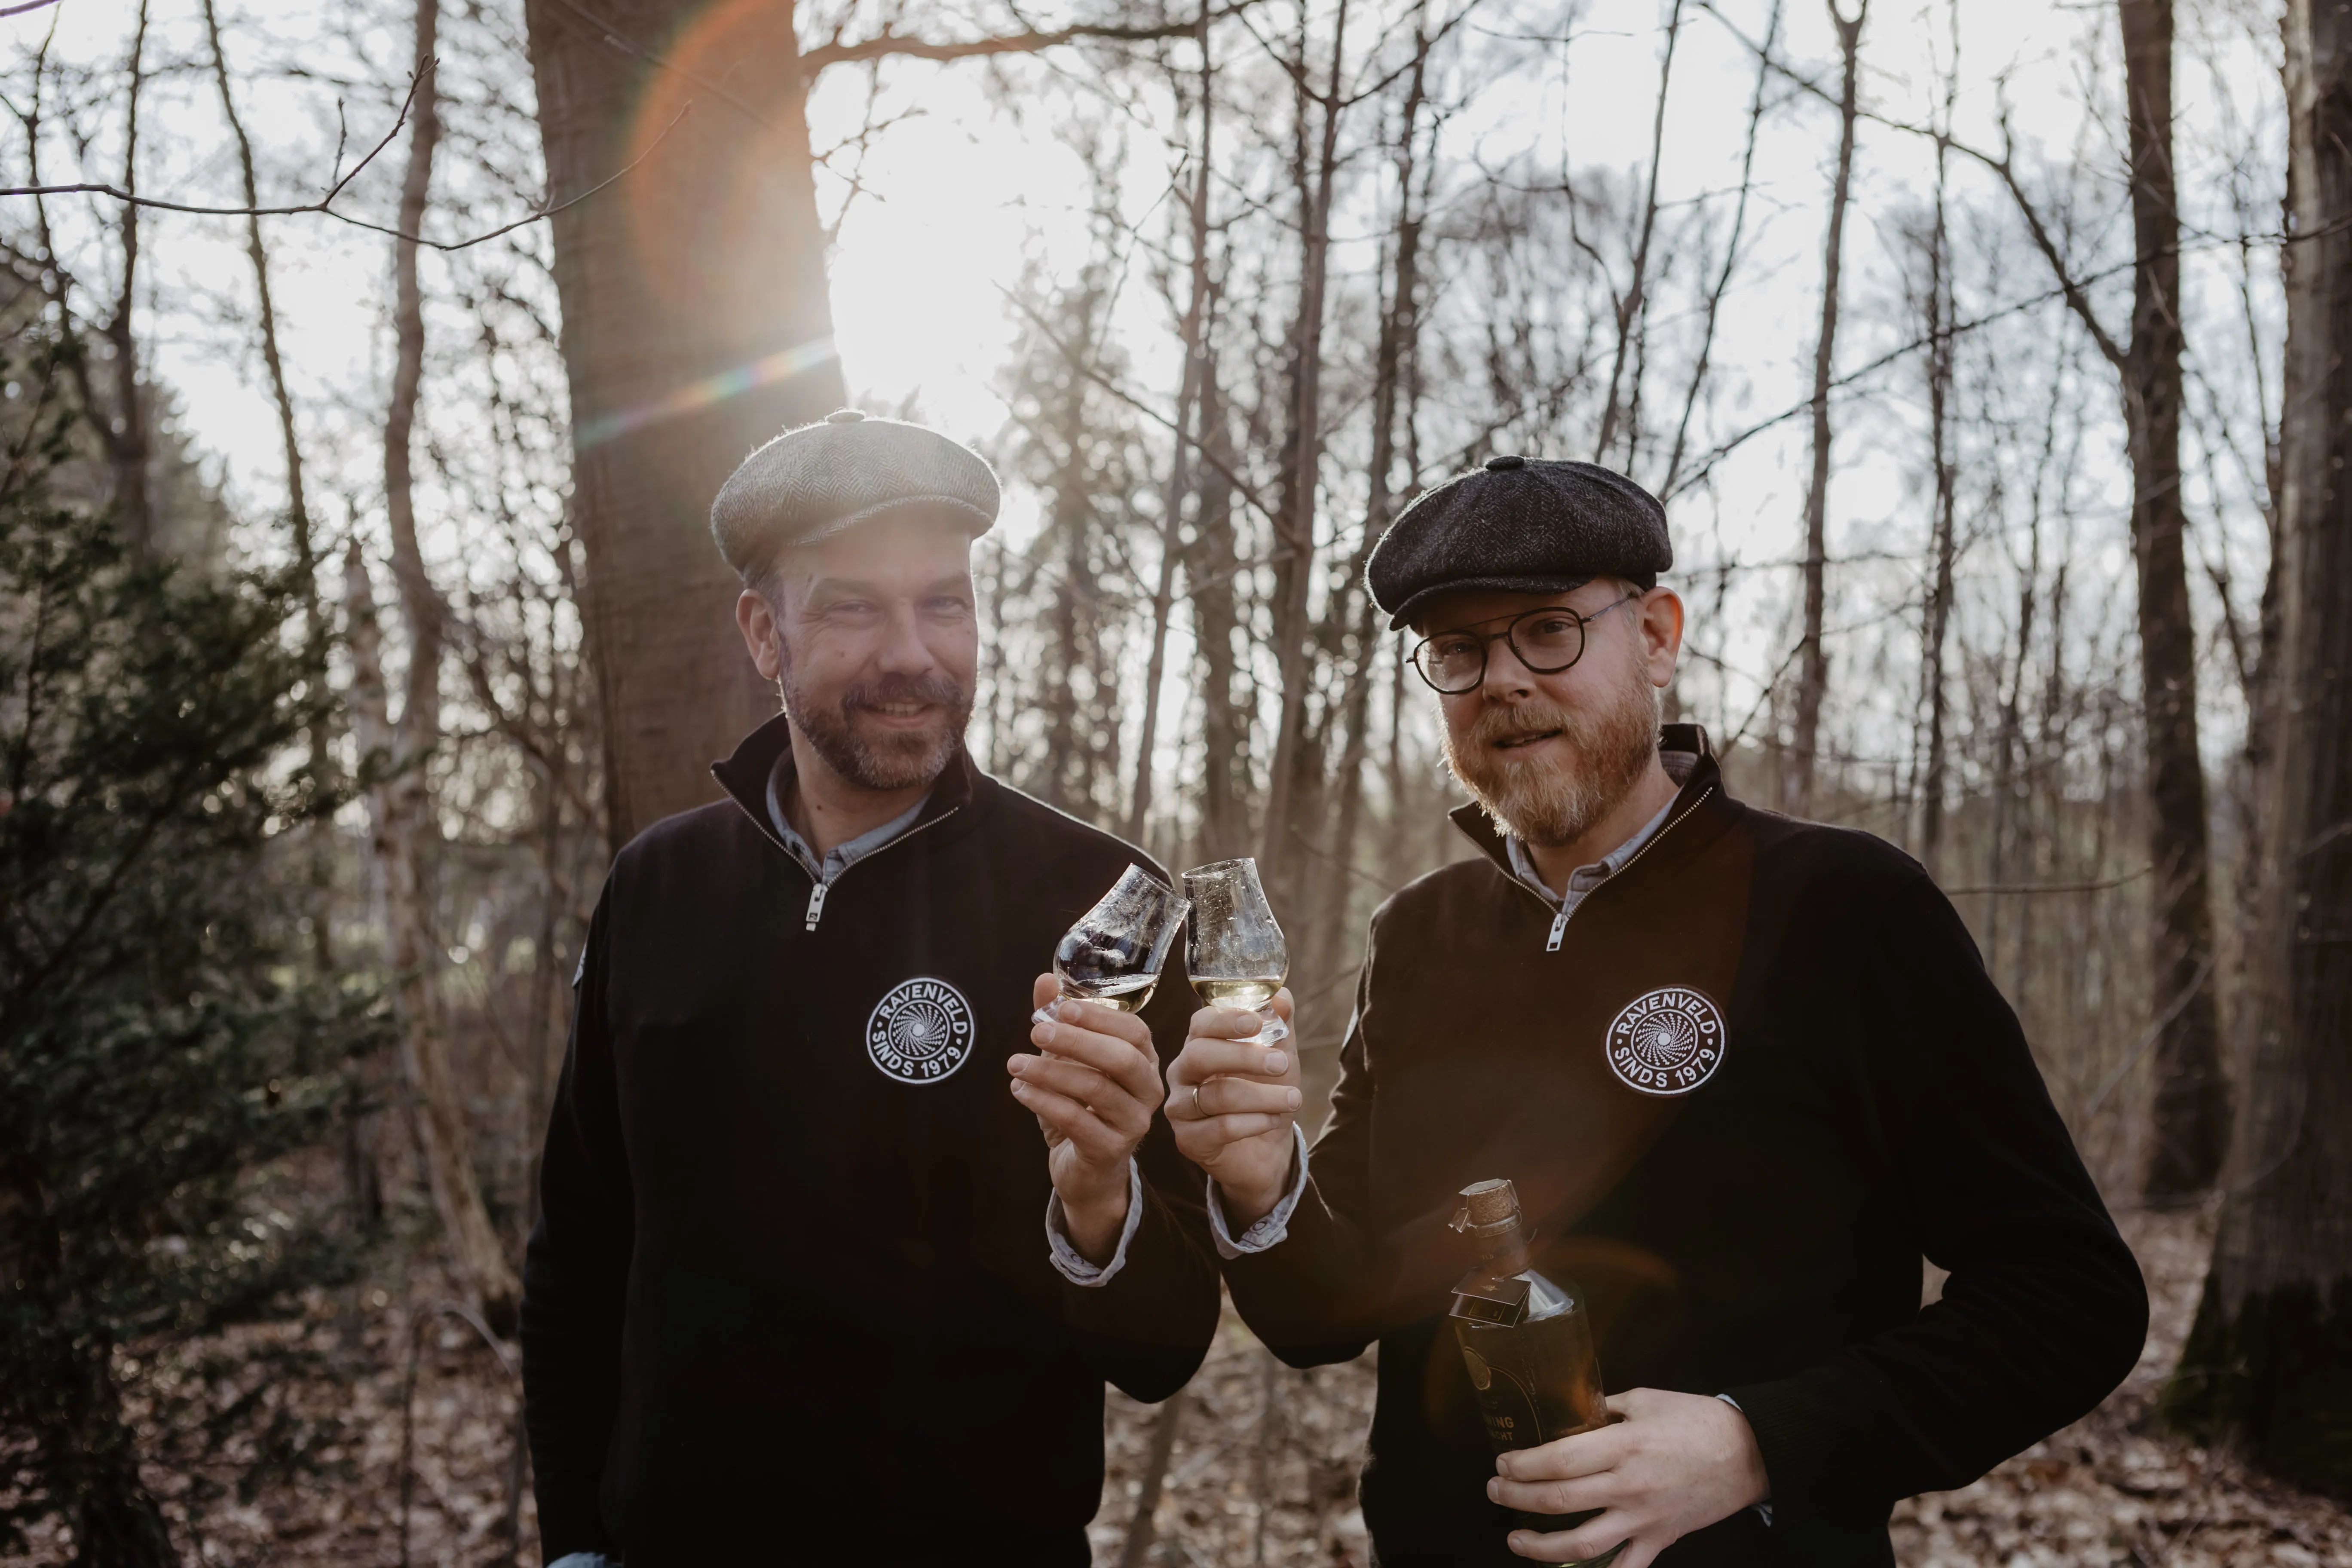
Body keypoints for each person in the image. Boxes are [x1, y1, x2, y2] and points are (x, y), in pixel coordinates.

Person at [1164, 455, 2150, 1567]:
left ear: (1661, 638)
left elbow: (2071, 1298)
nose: (1502, 680)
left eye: (1548, 630)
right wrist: (1256, 1182)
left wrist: (1757, 1440)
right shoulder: (1415, 937)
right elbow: (1321, 1316)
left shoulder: (1845, 907)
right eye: (1459, 650)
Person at [521, 410, 1221, 1566]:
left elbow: (1168, 1349)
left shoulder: (1104, 905)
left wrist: (1101, 1203)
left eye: (943, 602)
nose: (914, 654)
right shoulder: (656, 887)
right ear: (765, 632)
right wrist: (575, 1542)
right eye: (852, 607)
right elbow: (581, 1253)